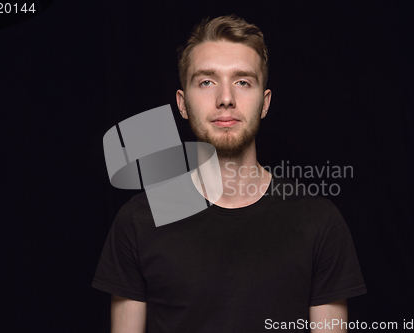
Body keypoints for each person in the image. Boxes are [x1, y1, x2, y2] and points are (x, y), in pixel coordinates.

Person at [92, 15, 366, 332]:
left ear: (264, 103)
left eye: (242, 82)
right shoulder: (139, 221)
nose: (225, 98)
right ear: (182, 104)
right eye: (207, 81)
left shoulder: (319, 221)